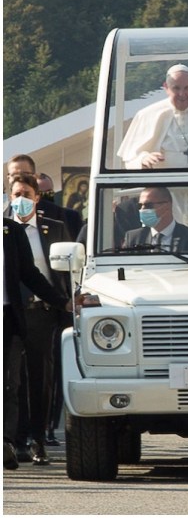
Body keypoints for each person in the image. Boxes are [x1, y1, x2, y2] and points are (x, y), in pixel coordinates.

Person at [6, 174, 72, 466]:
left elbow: (37, 275)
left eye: (26, 194)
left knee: (38, 380)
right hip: (13, 313)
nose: (20, 200)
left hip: (38, 313)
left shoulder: (44, 229)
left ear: (36, 197)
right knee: (11, 381)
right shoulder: (10, 230)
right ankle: (13, 440)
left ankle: (36, 438)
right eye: (15, 193)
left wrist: (66, 302)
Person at [122, 187, 188, 252]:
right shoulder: (133, 238)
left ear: (167, 206)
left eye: (149, 205)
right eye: (140, 206)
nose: (142, 210)